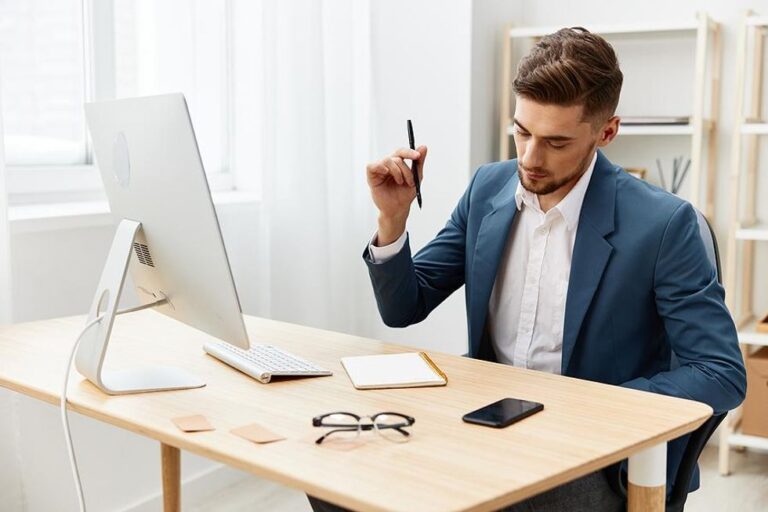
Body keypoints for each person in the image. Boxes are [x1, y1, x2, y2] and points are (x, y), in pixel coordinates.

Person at [309, 27, 746, 512]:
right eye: (522, 132)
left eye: (557, 142)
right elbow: (403, 307)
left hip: (596, 455)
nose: (530, 159)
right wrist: (392, 218)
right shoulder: (487, 189)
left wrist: (586, 406)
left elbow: (721, 372)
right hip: (487, 424)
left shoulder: (664, 225)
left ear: (607, 131)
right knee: (335, 475)